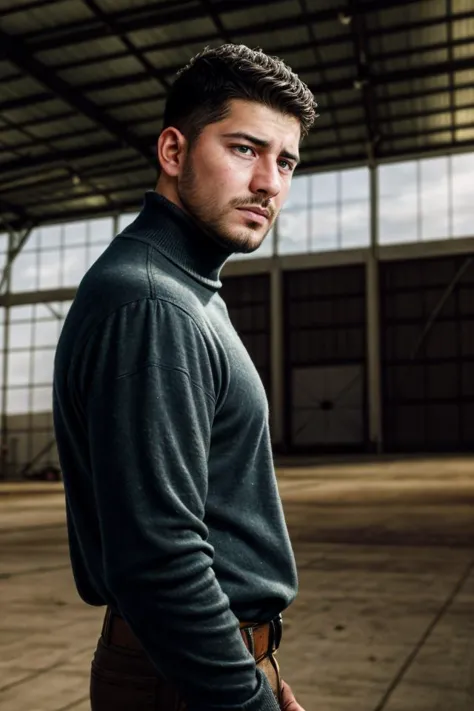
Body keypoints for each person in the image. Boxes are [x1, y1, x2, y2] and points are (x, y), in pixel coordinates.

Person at [53, 43, 317, 711]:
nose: (270, 183)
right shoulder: (152, 303)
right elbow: (159, 560)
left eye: (285, 161)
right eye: (244, 149)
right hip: (181, 679)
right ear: (173, 152)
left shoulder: (184, 287)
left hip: (202, 667)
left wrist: (260, 667)